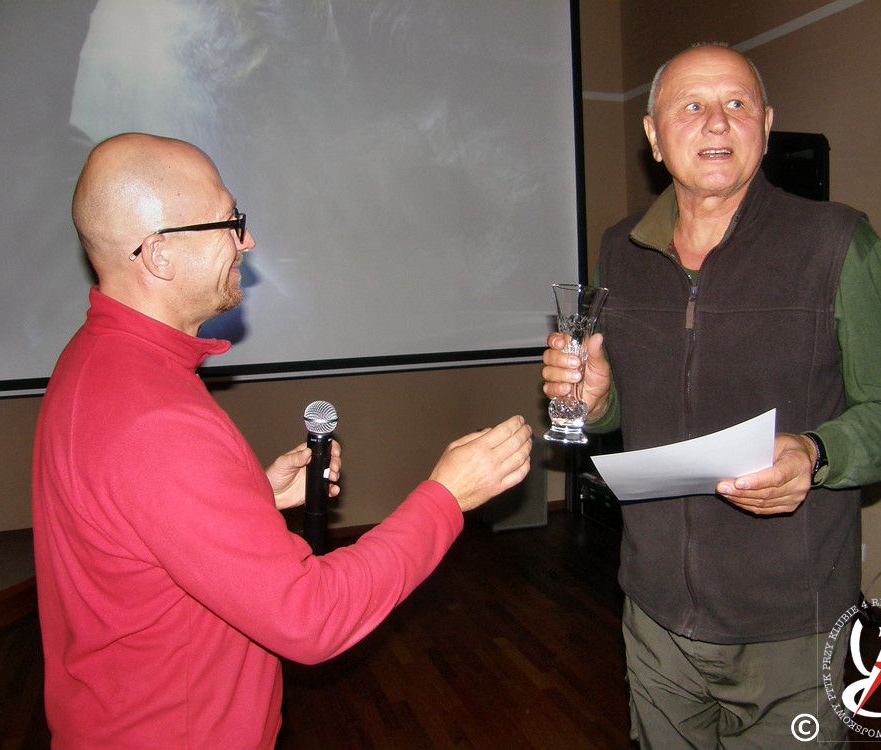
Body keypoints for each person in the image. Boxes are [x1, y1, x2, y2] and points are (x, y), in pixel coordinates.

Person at [33, 132, 533, 749]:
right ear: (160, 254)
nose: (247, 241)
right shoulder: (153, 418)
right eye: (229, 222)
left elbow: (135, 534)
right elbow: (311, 618)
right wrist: (447, 497)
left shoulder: (95, 362)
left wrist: (250, 498)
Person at [542, 43, 881, 747]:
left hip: (793, 627)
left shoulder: (839, 243)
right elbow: (631, 405)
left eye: (737, 104)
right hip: (655, 613)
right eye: (691, 105)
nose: (717, 122)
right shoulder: (620, 250)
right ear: (654, 136)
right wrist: (597, 402)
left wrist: (815, 452)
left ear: (766, 125)